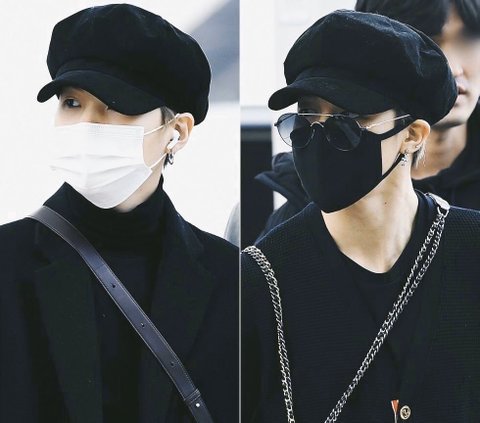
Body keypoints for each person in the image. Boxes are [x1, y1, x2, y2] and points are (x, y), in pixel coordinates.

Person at [0, 4, 238, 423]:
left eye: (116, 104)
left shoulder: (230, 277)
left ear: (177, 132)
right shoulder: (7, 260)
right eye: (71, 102)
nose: (87, 124)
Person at [242, 10, 480, 422]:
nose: (321, 132)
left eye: (350, 117)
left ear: (412, 135)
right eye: (307, 114)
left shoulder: (470, 250)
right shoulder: (261, 278)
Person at [257, 0, 480, 238]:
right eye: (425, 46)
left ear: (415, 134)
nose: (454, 68)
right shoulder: (303, 202)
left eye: (468, 39)